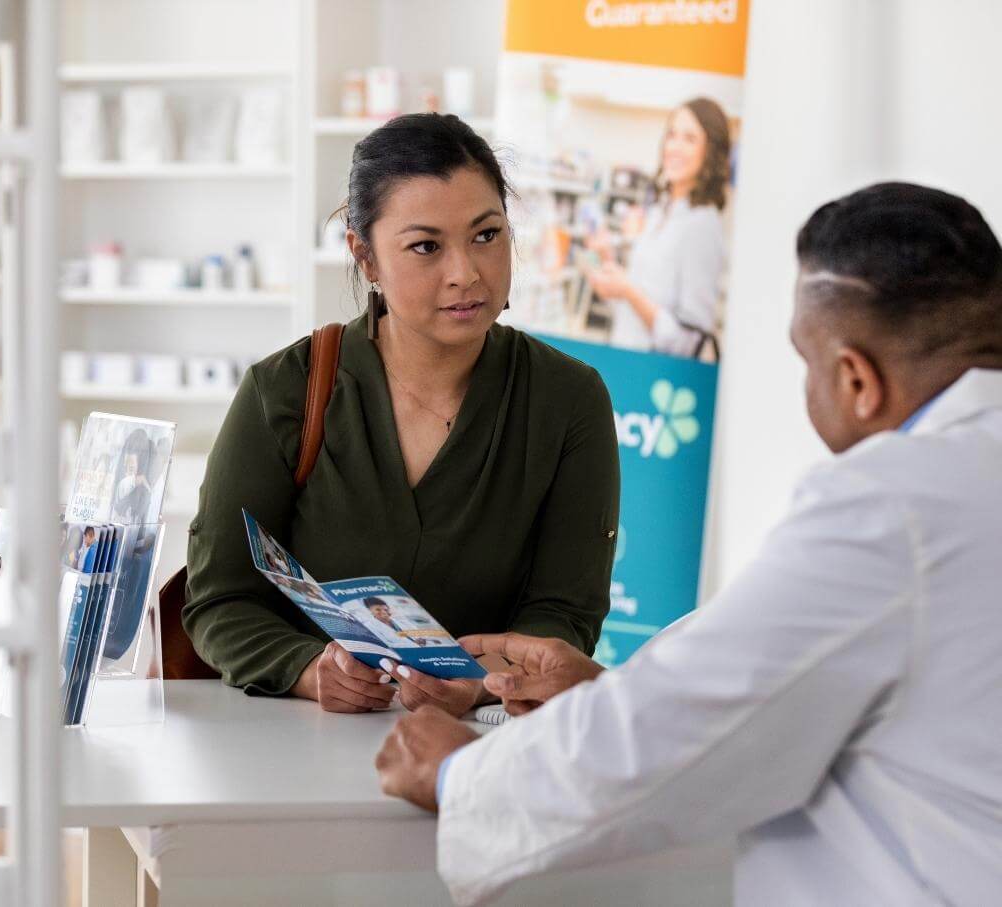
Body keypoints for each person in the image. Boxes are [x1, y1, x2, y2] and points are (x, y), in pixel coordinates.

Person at [375, 182, 1002, 905]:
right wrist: (616, 690)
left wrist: (461, 775)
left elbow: (678, 732)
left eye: (807, 361)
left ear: (856, 378)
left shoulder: (895, 502)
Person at [184, 113, 621, 717]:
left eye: (487, 235)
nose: (465, 272)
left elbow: (565, 609)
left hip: (485, 748)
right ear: (366, 258)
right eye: (425, 246)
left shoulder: (569, 399)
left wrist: (481, 684)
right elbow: (221, 599)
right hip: (293, 747)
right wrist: (309, 670)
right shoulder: (285, 391)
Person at [587, 97, 730, 358]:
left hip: (657, 382)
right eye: (672, 135)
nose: (674, 146)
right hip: (627, 360)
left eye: (689, 139)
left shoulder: (702, 225)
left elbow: (690, 342)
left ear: (710, 151)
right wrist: (608, 262)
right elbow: (638, 305)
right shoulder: (660, 211)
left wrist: (627, 291)